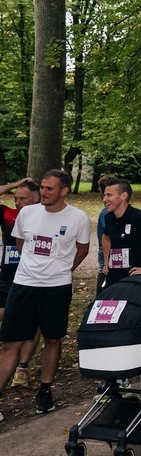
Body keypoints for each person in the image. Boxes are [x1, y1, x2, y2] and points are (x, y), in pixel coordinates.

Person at [0, 170, 90, 420]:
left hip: (56, 288)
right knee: (9, 343)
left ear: (64, 191)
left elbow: (82, 250)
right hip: (23, 284)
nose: (44, 192)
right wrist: (32, 268)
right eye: (42, 187)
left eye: (50, 188)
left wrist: (62, 270)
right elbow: (21, 244)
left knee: (52, 339)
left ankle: (45, 391)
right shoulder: (27, 213)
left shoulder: (78, 218)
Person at [0, 179, 41, 388]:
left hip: (32, 278)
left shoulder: (44, 217)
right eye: (15, 198)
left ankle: (21, 369)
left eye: (23, 199)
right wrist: (16, 184)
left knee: (32, 322)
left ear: (36, 199)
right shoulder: (8, 214)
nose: (17, 202)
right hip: (7, 278)